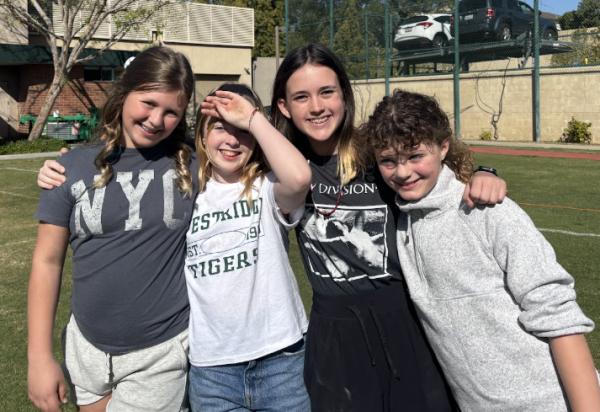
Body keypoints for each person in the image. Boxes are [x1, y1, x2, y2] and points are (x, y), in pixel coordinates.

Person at [269, 43, 507, 411]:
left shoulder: (375, 151)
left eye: (327, 92)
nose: (317, 106)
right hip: (333, 337)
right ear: (284, 106)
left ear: (344, 96)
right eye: (301, 97)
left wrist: (483, 172)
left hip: (406, 323)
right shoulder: (283, 165)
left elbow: (435, 164)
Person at [362, 88, 600, 412]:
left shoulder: (489, 211)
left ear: (443, 146)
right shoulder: (400, 220)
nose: (403, 172)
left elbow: (559, 317)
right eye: (388, 161)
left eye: (416, 155)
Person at [28, 46, 197, 412]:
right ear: (124, 94)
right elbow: (47, 261)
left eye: (172, 112)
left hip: (159, 350)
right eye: (148, 103)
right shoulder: (70, 168)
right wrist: (39, 357)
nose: (156, 119)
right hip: (86, 347)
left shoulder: (195, 167)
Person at [185, 83, 311, 411]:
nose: (231, 140)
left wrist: (252, 117)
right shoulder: (184, 192)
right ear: (201, 135)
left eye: (241, 131)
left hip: (281, 361)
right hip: (212, 370)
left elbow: (299, 178)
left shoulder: (266, 186)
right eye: (219, 129)